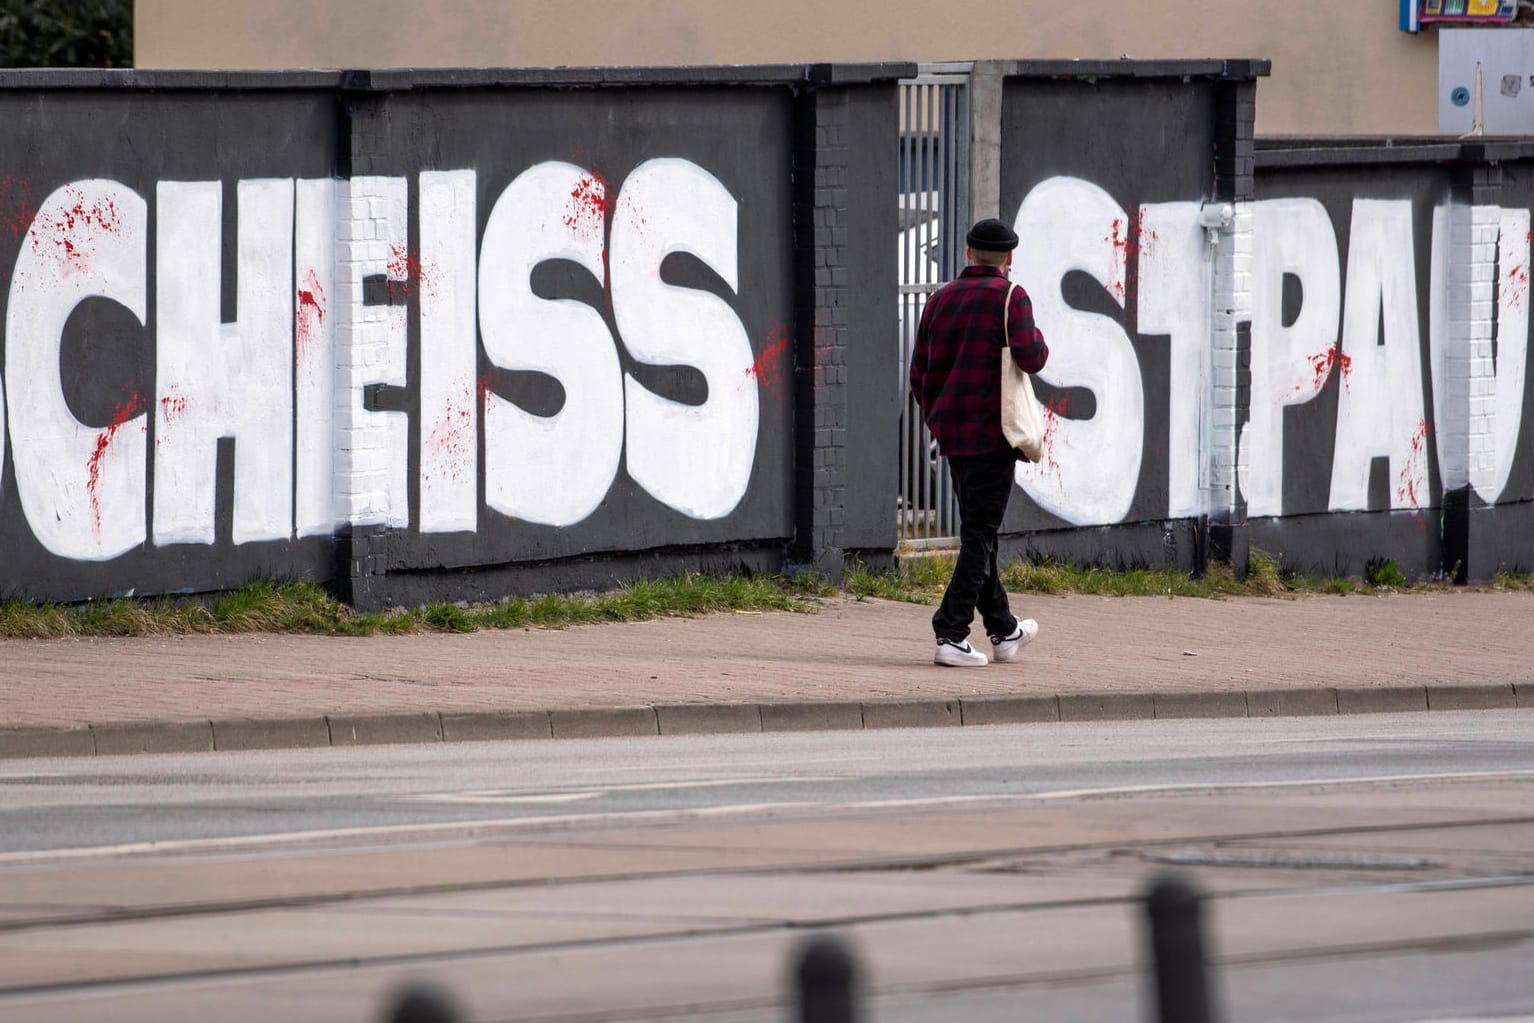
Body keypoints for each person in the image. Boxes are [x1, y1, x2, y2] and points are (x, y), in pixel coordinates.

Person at [908, 217, 1049, 667]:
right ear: (1009, 258)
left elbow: (919, 374)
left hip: (954, 436)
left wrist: (937, 419)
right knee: (979, 535)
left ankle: (1004, 631)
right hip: (995, 434)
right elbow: (1032, 356)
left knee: (979, 533)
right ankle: (949, 633)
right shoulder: (1012, 297)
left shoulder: (938, 301)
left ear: (968, 253)